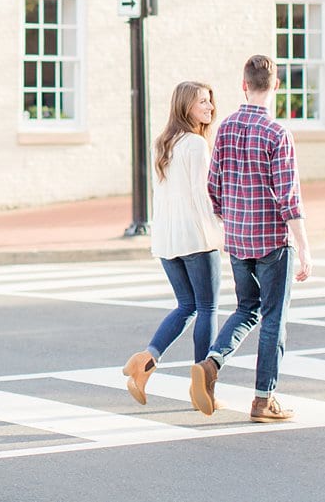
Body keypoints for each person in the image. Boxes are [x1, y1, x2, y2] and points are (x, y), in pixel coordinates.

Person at [189, 54, 312, 423]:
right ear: (275, 87)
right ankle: (263, 399)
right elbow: (288, 196)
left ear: (243, 85)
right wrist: (304, 247)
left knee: (246, 308)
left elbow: (213, 186)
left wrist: (233, 219)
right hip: (273, 240)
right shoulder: (277, 133)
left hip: (239, 239)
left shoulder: (224, 128)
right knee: (274, 317)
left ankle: (211, 364)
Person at [123, 81, 223, 407]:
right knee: (206, 307)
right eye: (202, 103)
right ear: (185, 107)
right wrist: (223, 229)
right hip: (196, 237)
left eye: (209, 102)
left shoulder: (163, 143)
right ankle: (202, 388)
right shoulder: (195, 145)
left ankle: (146, 361)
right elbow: (202, 196)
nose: (209, 108)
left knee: (186, 306)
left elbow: (163, 195)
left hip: (168, 239)